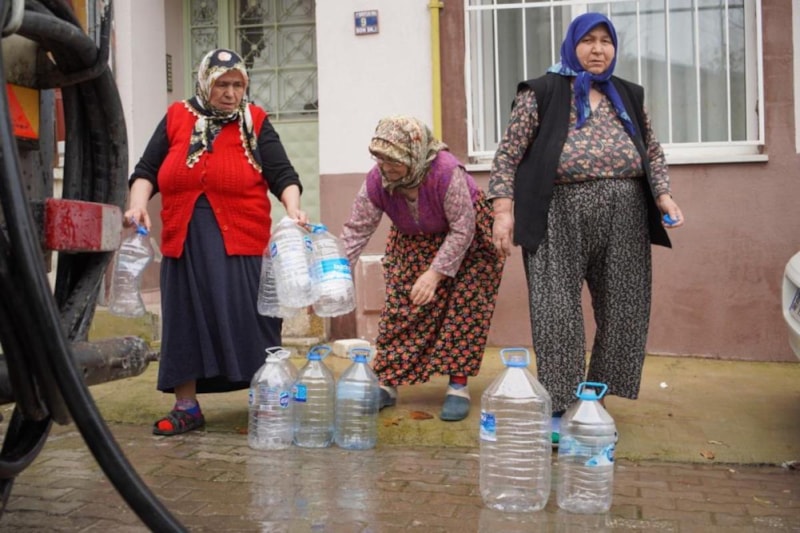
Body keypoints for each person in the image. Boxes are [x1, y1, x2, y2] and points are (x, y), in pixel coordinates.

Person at [488, 13, 684, 444]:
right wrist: (503, 211)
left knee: (624, 307)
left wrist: (663, 195)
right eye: (588, 40)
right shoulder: (540, 92)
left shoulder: (627, 94)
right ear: (572, 45)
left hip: (626, 212)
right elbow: (507, 156)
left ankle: (593, 399)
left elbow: (651, 152)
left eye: (605, 41)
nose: (598, 49)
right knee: (556, 310)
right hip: (556, 211)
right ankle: (560, 407)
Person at [125, 48, 308, 436]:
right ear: (205, 82)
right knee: (185, 321)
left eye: (238, 84)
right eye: (222, 84)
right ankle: (187, 407)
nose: (230, 92)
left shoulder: (254, 121)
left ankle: (268, 402)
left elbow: (283, 174)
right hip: (184, 241)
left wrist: (293, 209)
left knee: (253, 322)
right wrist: (138, 204)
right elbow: (147, 170)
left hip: (241, 241)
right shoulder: (177, 117)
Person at [341, 116, 505, 422]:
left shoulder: (445, 172)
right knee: (401, 305)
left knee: (464, 307)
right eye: (381, 159)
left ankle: (458, 386)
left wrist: (435, 273)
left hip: (468, 238)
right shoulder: (377, 180)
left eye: (394, 160)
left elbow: (463, 229)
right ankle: (388, 382)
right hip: (413, 238)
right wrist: (338, 272)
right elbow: (357, 229)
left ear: (414, 154)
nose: (386, 168)